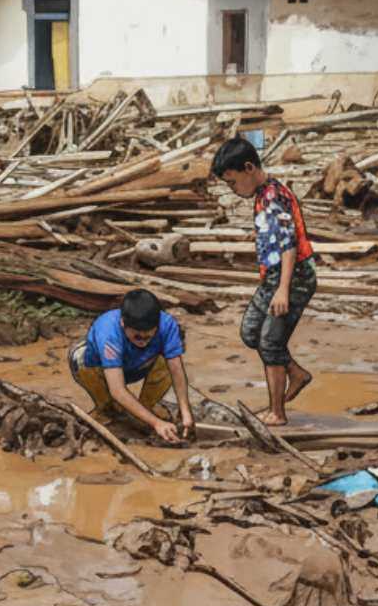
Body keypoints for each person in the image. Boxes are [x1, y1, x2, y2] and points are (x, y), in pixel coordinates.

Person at [212, 136, 316, 427]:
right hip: (274, 276)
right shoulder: (263, 193)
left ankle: (277, 412)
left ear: (249, 168)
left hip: (292, 277)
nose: (233, 190)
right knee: (251, 331)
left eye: (233, 183)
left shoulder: (271, 196)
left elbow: (289, 245)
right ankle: (295, 373)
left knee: (270, 342)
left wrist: (283, 290)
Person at [68, 288, 195, 444]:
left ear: (157, 326)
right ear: (123, 323)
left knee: (168, 361)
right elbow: (117, 389)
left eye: (148, 336)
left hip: (137, 364)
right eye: (137, 336)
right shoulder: (108, 331)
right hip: (99, 369)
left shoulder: (167, 324)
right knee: (110, 405)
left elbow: (176, 370)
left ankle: (145, 407)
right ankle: (105, 409)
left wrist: (185, 411)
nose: (143, 341)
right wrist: (157, 423)